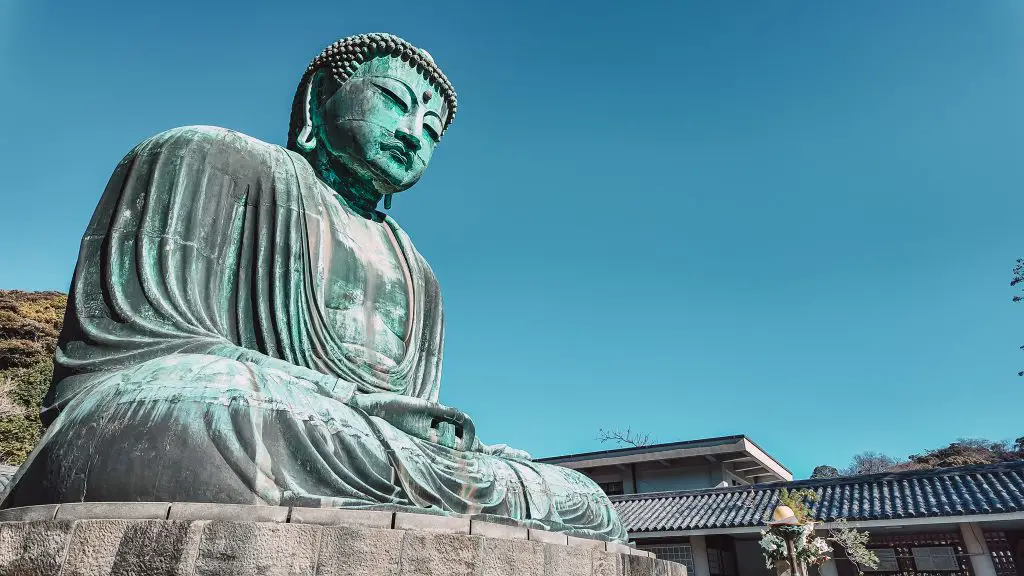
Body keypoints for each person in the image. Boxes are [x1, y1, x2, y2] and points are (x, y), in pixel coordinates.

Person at [0, 33, 626, 542]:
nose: (414, 133)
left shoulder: (421, 274)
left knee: (581, 499)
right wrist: (357, 403)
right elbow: (140, 355)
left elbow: (412, 415)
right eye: (393, 100)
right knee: (218, 411)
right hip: (216, 408)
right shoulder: (205, 157)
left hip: (350, 441)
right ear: (317, 102)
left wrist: (414, 431)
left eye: (433, 128)